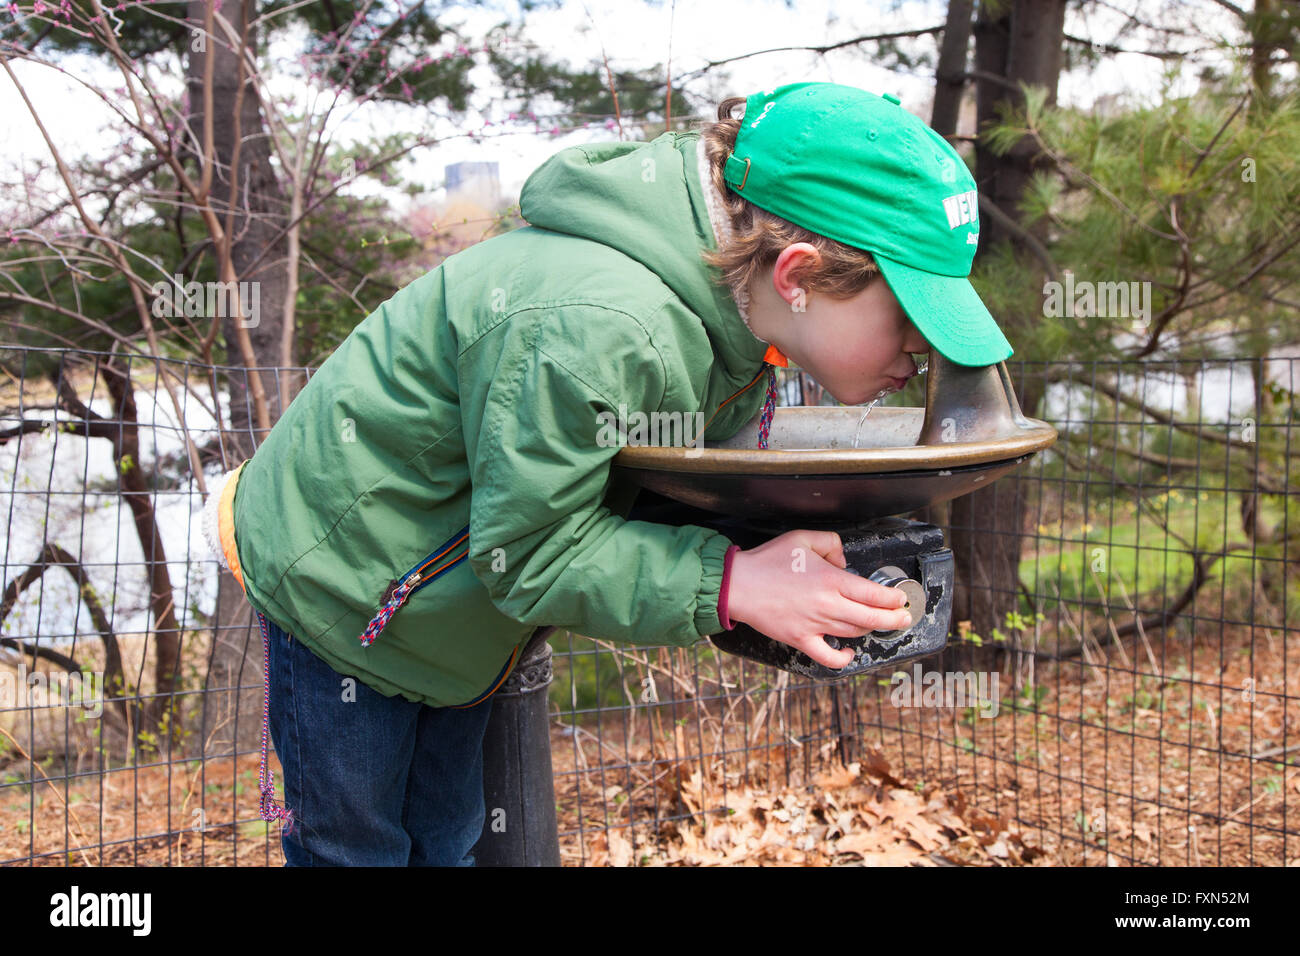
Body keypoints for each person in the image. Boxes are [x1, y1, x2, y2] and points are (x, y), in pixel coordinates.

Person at [200, 80, 1014, 866]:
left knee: (444, 836)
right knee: (359, 850)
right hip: (344, 587)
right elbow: (531, 553)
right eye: (911, 317)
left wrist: (784, 551)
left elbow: (649, 482)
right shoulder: (598, 323)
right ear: (797, 276)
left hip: (450, 611)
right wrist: (734, 583)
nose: (925, 351)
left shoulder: (737, 328)